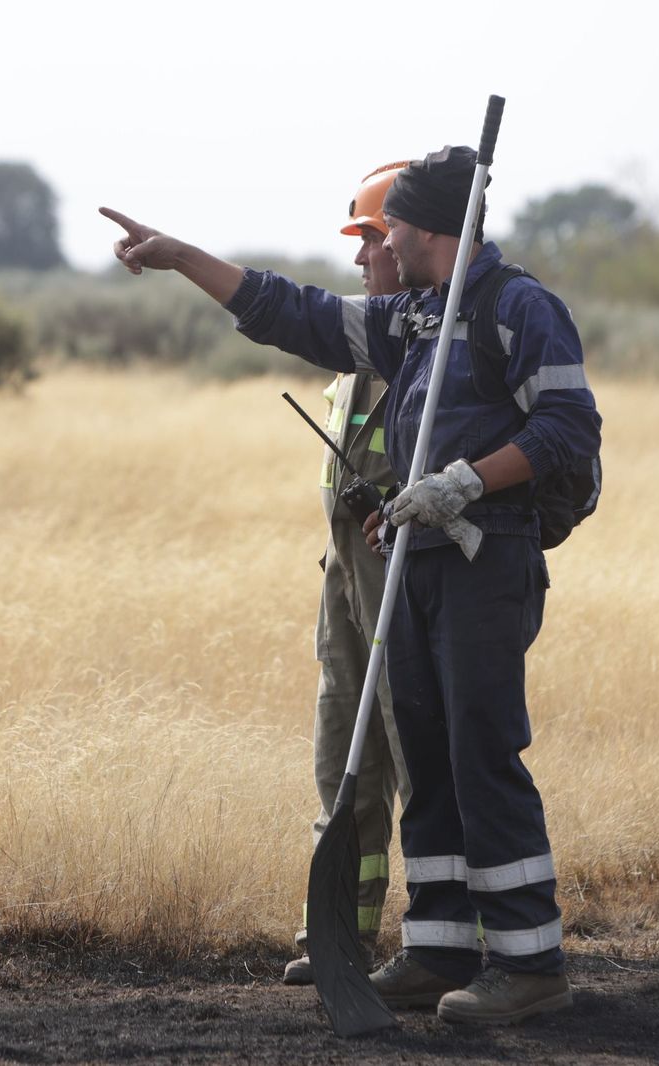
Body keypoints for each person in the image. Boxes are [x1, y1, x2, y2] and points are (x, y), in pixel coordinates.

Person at [100, 144, 601, 1026]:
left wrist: (466, 481)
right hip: (417, 562)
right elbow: (288, 314)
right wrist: (182, 258)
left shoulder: (520, 308)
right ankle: (439, 948)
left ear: (435, 228)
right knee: (432, 759)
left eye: (393, 226)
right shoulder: (407, 319)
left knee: (481, 754)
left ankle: (530, 963)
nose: (384, 242)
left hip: (487, 561)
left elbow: (569, 427)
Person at [278, 162, 412, 988]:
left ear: (411, 242)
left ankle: (459, 945)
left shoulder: (437, 360)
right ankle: (336, 939)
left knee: (431, 774)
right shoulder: (354, 357)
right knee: (342, 770)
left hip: (409, 597)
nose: (360, 259)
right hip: (346, 602)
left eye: (371, 241)